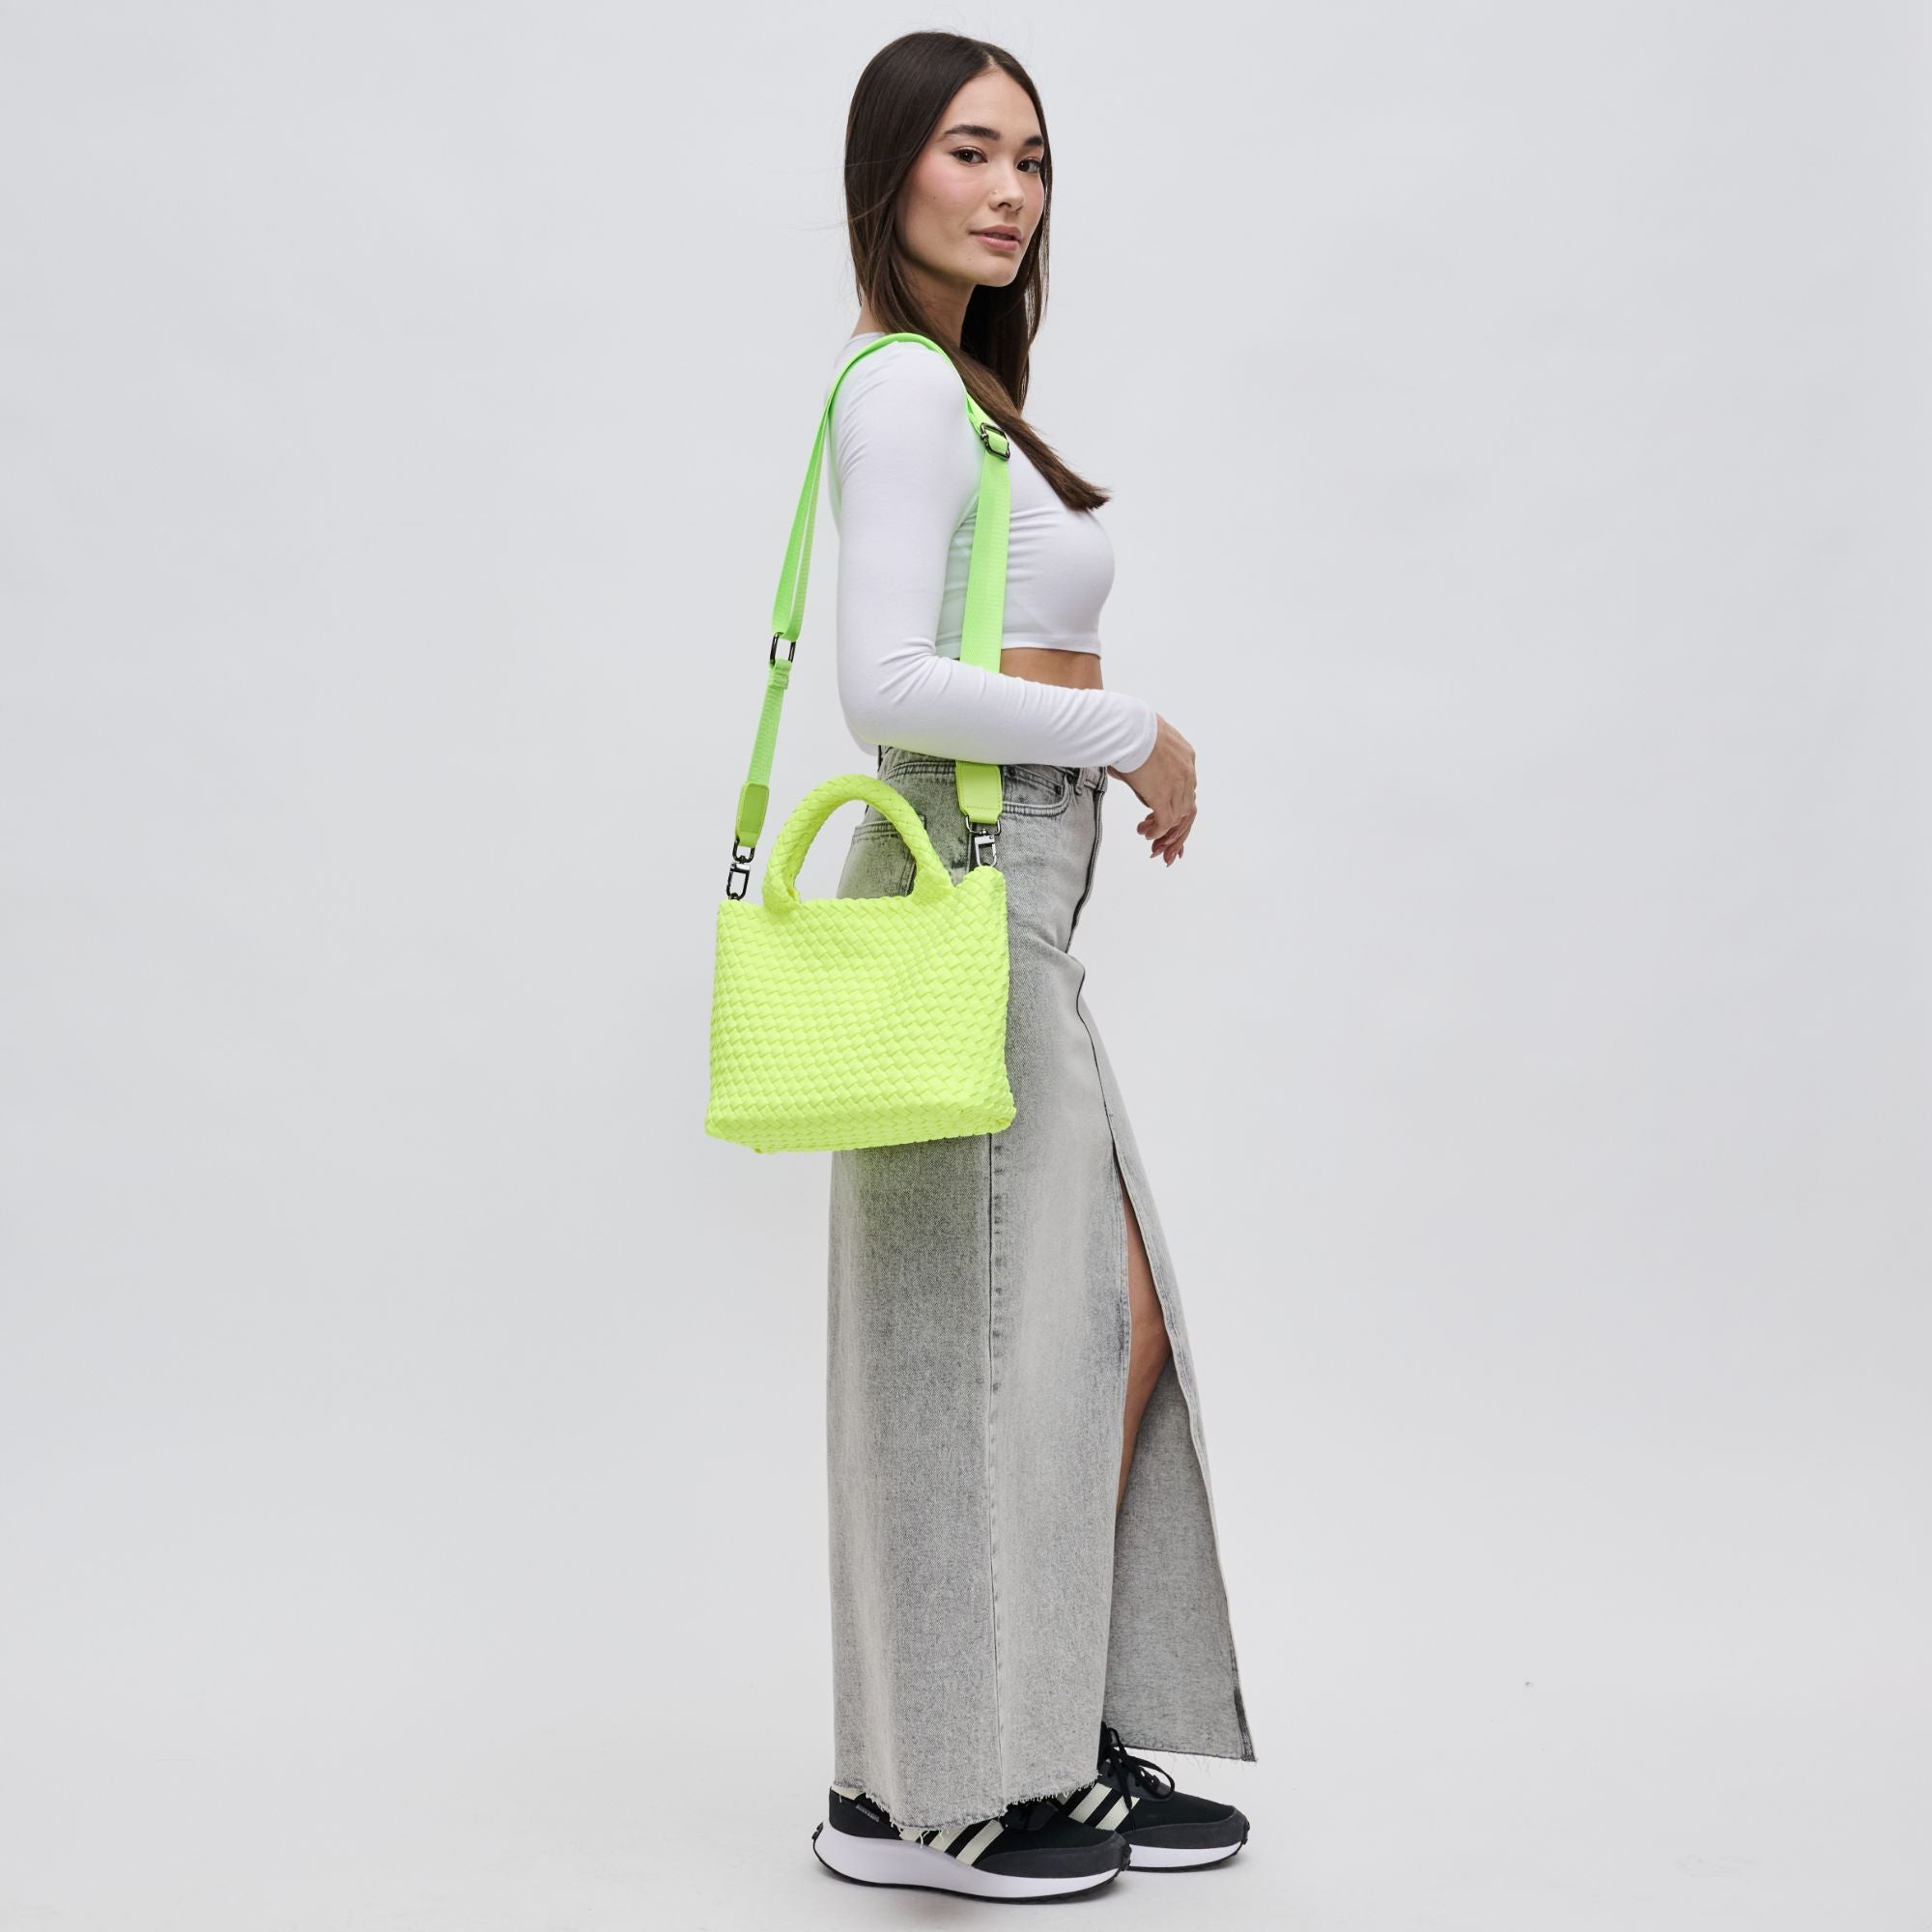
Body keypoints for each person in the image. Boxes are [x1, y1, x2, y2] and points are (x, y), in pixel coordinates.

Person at [808, 33, 1258, 1902]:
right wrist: (1131, 732)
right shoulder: (904, 392)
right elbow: (885, 685)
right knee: (994, 1338)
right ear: (890, 173)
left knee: (1071, 1319)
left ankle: (1025, 1731)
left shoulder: (968, 393)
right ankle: (937, 1795)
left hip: (1024, 890)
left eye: (1035, 161)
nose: (1011, 192)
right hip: (971, 875)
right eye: (970, 153)